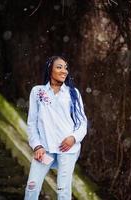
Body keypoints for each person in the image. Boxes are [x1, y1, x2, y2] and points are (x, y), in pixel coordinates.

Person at [24, 56, 87, 200]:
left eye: (65, 67)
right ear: (50, 69)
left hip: (67, 149)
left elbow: (82, 123)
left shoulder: (73, 93)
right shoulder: (37, 92)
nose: (64, 71)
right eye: (59, 67)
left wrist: (73, 138)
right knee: (31, 187)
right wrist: (37, 145)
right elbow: (32, 123)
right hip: (45, 148)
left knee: (63, 191)